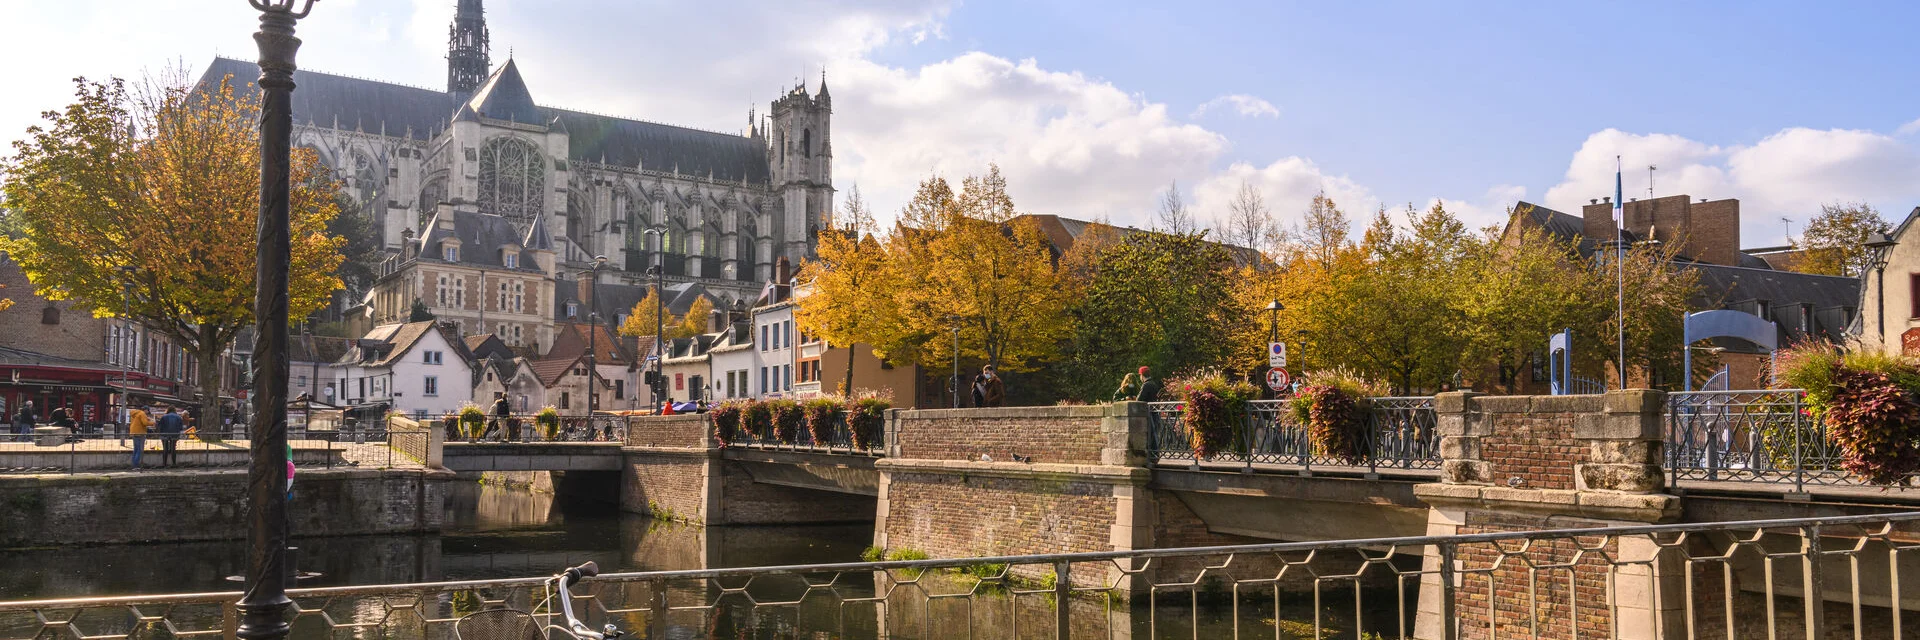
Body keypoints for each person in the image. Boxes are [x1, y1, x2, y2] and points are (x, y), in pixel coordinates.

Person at [128, 405, 154, 470]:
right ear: (146, 410)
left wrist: (146, 418)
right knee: (140, 450)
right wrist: (152, 423)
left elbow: (139, 421)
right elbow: (145, 423)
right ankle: (136, 466)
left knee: (136, 449)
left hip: (134, 432)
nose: (147, 413)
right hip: (140, 433)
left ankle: (134, 465)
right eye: (148, 411)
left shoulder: (136, 413)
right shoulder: (142, 413)